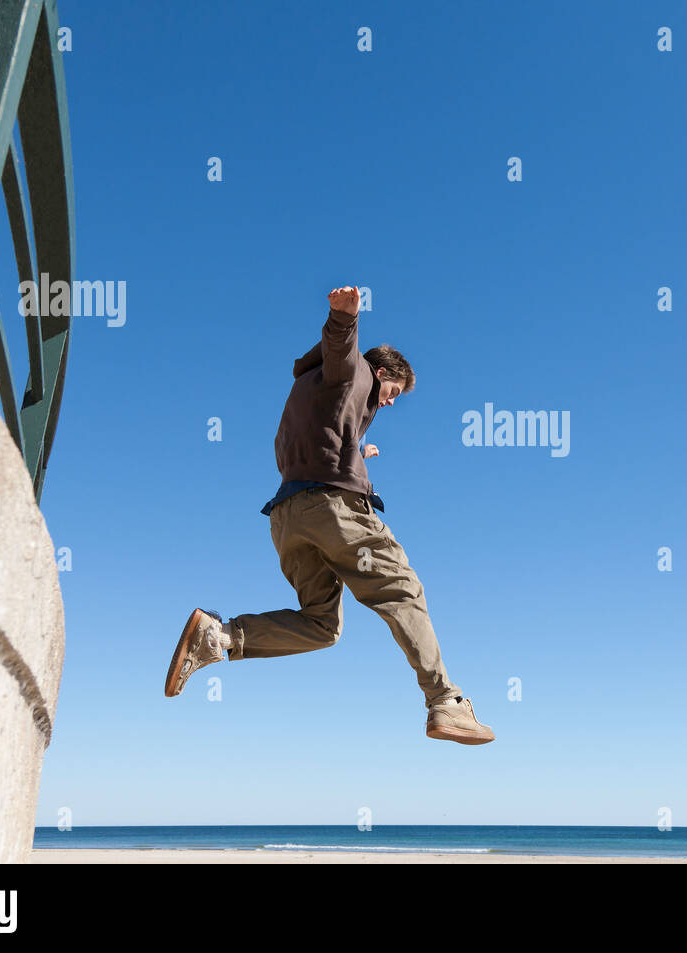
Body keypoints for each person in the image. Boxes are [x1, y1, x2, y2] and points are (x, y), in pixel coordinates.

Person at [162, 286, 493, 745]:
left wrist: (357, 451)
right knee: (403, 590)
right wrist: (344, 317)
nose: (391, 402)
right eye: (393, 391)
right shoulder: (352, 370)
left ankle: (219, 638)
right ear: (381, 373)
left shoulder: (312, 390)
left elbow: (324, 432)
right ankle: (445, 702)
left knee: (321, 625)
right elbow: (343, 353)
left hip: (287, 517)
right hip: (333, 511)